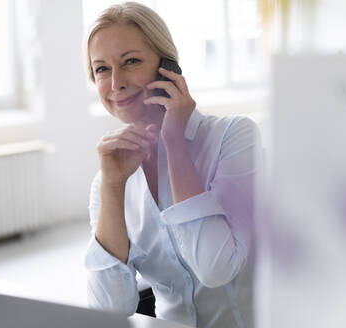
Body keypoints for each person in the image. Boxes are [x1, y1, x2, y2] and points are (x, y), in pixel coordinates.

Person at [83, 2, 262, 328]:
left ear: (168, 67)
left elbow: (215, 269)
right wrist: (112, 187)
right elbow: (108, 310)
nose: (115, 84)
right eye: (101, 69)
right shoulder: (107, 179)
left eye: (131, 61)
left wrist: (175, 145)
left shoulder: (233, 137)